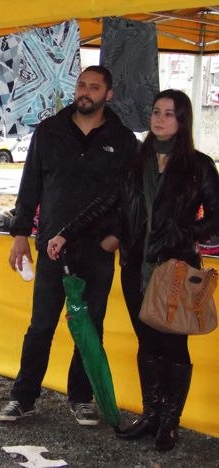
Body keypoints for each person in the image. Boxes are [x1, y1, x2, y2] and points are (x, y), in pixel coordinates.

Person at [47, 89, 219, 451]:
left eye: (169, 113)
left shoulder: (199, 166)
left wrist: (186, 234)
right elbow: (107, 203)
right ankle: (151, 415)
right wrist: (65, 232)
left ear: (182, 120)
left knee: (174, 347)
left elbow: (216, 218)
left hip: (175, 270)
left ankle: (169, 423)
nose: (159, 119)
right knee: (148, 343)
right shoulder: (136, 162)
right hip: (136, 269)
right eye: (156, 112)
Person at [0, 66, 138, 426]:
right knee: (41, 326)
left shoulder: (123, 140)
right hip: (52, 249)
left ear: (108, 94)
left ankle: (81, 398)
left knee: (89, 327)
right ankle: (23, 397)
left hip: (97, 251)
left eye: (94, 87)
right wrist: (20, 234)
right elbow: (30, 186)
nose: (85, 92)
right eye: (81, 85)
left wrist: (116, 237)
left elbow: (131, 198)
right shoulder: (49, 131)